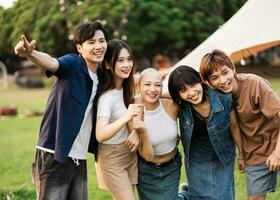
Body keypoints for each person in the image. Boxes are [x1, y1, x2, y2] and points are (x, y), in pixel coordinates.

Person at [14, 21, 108, 199]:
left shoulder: (101, 77)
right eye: (91, 42)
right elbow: (51, 62)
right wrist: (30, 53)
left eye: (102, 41)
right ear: (79, 48)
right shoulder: (73, 64)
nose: (98, 46)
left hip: (79, 158)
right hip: (54, 154)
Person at [200, 49, 280, 200]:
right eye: (215, 77)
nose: (222, 80)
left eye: (225, 72)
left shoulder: (254, 83)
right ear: (209, 82)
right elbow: (184, 89)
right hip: (254, 150)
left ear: (233, 69)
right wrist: (241, 155)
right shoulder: (216, 95)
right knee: (254, 198)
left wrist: (278, 152)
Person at [168, 65, 244, 200]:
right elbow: (159, 94)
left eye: (192, 85)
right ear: (178, 95)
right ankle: (186, 194)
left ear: (200, 80)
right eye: (183, 90)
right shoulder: (182, 105)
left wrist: (242, 155)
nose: (191, 93)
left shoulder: (224, 98)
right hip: (197, 154)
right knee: (200, 196)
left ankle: (185, 193)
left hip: (223, 153)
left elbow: (235, 127)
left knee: (224, 196)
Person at [94, 39, 141, 200]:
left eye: (129, 59)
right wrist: (126, 117)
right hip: (111, 157)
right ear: (108, 64)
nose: (127, 64)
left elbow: (154, 82)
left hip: (129, 152)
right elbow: (100, 134)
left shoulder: (126, 88)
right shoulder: (107, 97)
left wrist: (135, 131)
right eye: (120, 60)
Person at [133, 68, 188, 200]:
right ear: (139, 86)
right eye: (147, 84)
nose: (152, 89)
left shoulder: (171, 106)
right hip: (146, 170)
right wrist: (143, 132)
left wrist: (160, 93)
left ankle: (184, 195)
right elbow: (147, 155)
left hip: (171, 167)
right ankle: (184, 195)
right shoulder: (135, 109)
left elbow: (182, 95)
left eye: (157, 85)